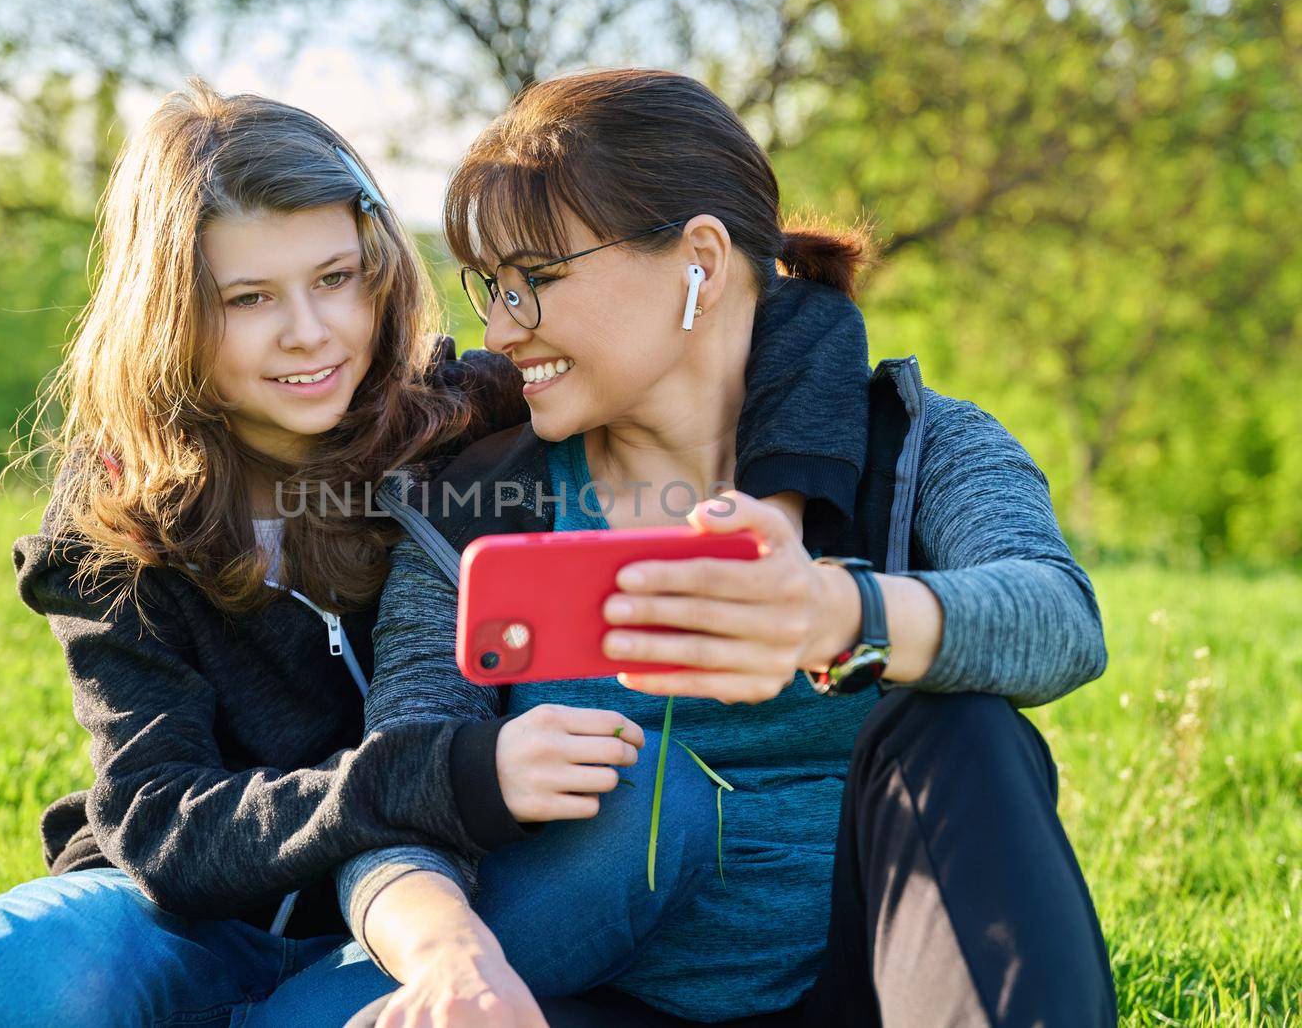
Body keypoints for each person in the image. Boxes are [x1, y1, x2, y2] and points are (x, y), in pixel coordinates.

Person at [0, 74, 874, 1028]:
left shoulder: (445, 408)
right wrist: (442, 772)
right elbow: (163, 823)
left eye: (335, 279)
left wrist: (777, 512)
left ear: (378, 273)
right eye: (248, 297)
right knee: (21, 973)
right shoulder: (115, 518)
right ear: (171, 312)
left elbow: (788, 315)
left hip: (454, 900)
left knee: (633, 815)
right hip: (187, 919)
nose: (309, 333)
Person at [251, 67, 1117, 1028]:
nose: (500, 329)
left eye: (534, 280)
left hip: (874, 986)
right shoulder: (479, 506)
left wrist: (841, 615)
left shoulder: (916, 446)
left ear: (698, 259)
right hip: (604, 995)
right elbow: (400, 791)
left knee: (966, 729)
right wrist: (451, 959)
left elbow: (1060, 618)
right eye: (490, 287)